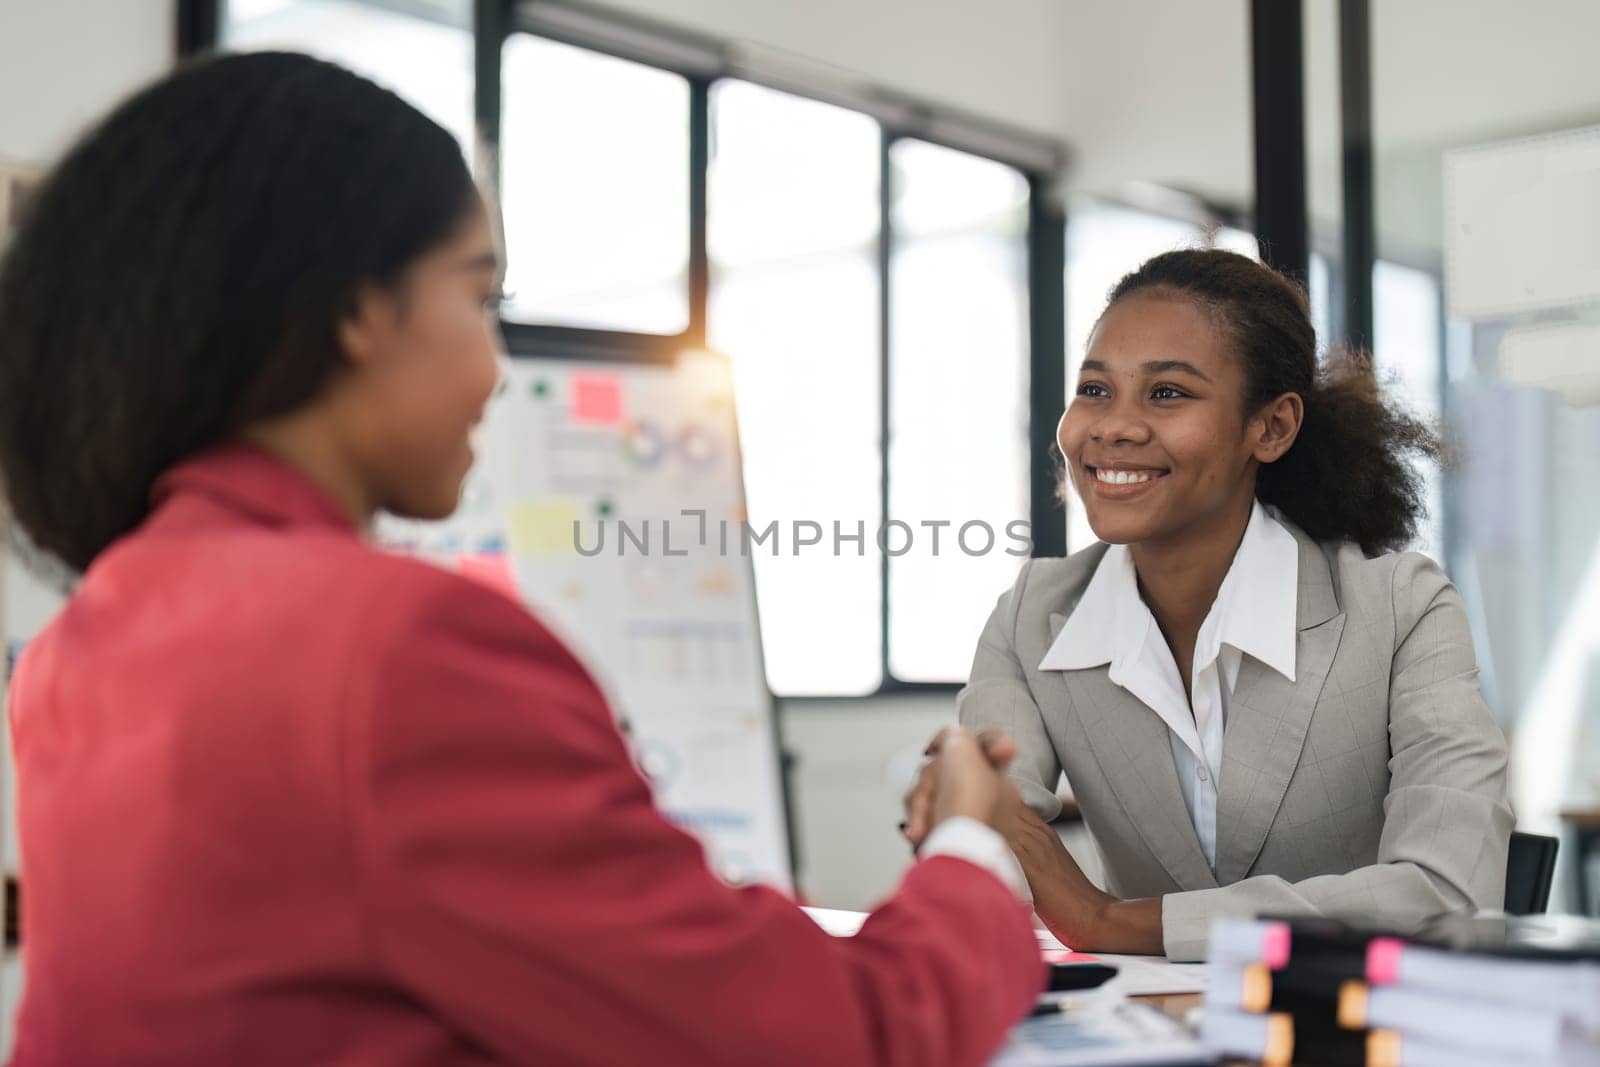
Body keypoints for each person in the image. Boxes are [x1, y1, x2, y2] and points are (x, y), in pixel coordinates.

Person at [0, 52, 1042, 1065]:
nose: (495, 370)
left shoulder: (82, 643)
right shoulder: (395, 647)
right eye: (477, 298)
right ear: (360, 309)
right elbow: (837, 1037)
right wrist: (971, 845)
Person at [906, 248, 1512, 962]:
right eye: (1095, 389)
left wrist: (1113, 921)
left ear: (1272, 427)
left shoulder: (1401, 609)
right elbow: (993, 832)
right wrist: (961, 797)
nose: (1113, 427)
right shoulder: (1032, 617)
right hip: (1146, 1035)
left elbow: (1448, 890)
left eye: (1167, 393)